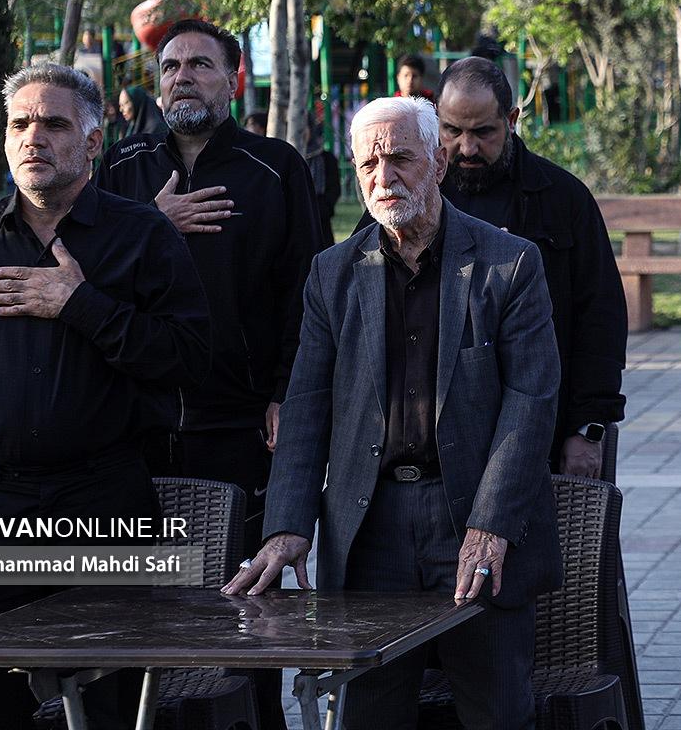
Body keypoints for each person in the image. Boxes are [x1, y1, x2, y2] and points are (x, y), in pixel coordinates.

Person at [225, 96, 564, 729]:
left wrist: (490, 525)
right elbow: (306, 407)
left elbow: (532, 402)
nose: (384, 178)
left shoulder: (509, 263)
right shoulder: (332, 274)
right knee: (369, 715)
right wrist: (287, 524)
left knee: (496, 714)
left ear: (438, 163)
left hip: (472, 518)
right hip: (368, 528)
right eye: (368, 164)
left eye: (401, 159)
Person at [0, 63, 211, 730]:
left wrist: (81, 304)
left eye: (53, 124)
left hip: (105, 505)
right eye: (20, 124)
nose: (33, 138)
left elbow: (186, 358)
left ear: (93, 142)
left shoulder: (141, 235)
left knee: (110, 708)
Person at [95, 18, 329, 729]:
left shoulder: (275, 168)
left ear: (233, 79)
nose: (182, 78)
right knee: (146, 617)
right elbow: (79, 279)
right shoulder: (121, 168)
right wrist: (150, 222)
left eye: (199, 64)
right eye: (170, 67)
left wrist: (287, 393)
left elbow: (309, 294)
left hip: (239, 424)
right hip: (137, 427)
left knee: (246, 616)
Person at [358, 56, 627, 477]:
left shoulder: (563, 200)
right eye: (453, 131)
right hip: (430, 449)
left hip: (543, 433)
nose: (467, 148)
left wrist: (587, 428)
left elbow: (601, 317)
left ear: (512, 120)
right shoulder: (404, 195)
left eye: (483, 132)